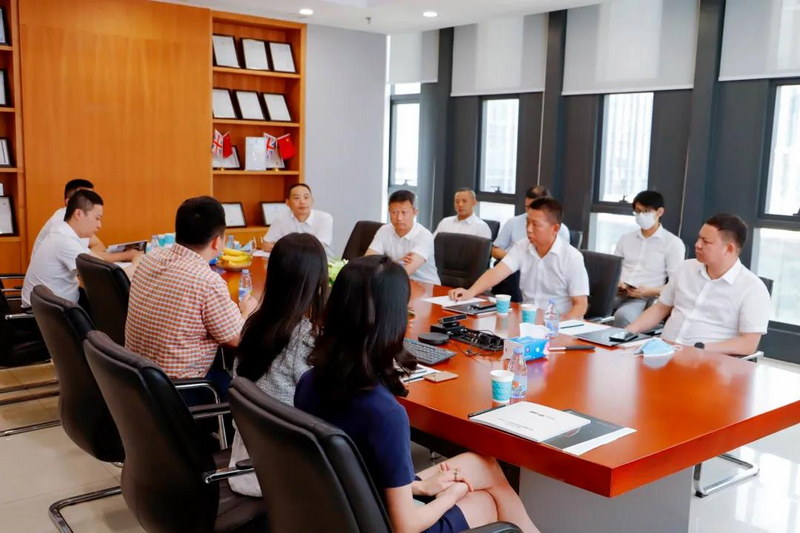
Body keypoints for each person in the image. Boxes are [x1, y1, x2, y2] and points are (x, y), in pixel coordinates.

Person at [294, 255, 539, 533]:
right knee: (485, 501)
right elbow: (405, 526)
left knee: (485, 465)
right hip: (381, 522)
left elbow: (351, 472)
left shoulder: (308, 382)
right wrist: (451, 495)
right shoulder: (385, 414)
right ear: (394, 321)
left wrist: (419, 486)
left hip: (341, 512)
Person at [125, 196, 257, 396]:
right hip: (180, 391)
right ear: (217, 241)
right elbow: (237, 339)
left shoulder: (150, 259)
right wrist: (246, 311)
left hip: (137, 379)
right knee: (247, 391)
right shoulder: (207, 282)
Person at [229, 232, 328, 497]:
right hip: (283, 475)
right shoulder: (307, 338)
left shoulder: (253, 323)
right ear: (318, 280)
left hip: (245, 462)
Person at [626, 214, 771, 356]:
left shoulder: (753, 289)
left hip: (707, 360)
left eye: (706, 242)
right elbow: (660, 308)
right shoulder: (685, 268)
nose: (697, 245)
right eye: (699, 238)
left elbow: (748, 344)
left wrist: (700, 348)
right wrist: (627, 332)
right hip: (663, 351)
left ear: (729, 249)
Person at [449, 197, 589, 319]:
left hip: (558, 324)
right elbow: (497, 272)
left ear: (555, 229)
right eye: (527, 223)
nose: (529, 229)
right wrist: (470, 292)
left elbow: (580, 305)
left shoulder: (572, 257)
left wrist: (560, 326)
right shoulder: (522, 246)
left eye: (536, 224)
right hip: (528, 320)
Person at [611, 190, 685, 327]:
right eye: (637, 211)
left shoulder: (672, 243)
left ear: (659, 212)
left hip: (644, 297)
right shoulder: (626, 239)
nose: (641, 216)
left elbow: (676, 284)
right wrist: (617, 282)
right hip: (617, 292)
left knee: (623, 316)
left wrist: (650, 291)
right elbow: (613, 269)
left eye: (646, 211)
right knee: (587, 305)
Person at [22, 189, 106, 309]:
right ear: (79, 214)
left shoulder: (62, 231)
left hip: (50, 306)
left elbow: (97, 262)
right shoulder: (64, 240)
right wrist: (134, 263)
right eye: (97, 218)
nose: (99, 225)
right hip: (48, 313)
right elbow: (104, 273)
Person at [33, 179, 142, 263]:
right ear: (71, 203)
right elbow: (90, 261)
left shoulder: (72, 225)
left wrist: (89, 254)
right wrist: (130, 256)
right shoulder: (61, 227)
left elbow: (98, 246)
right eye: (85, 198)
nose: (99, 225)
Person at [366, 189, 440, 284]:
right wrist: (397, 262)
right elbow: (368, 262)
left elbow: (405, 272)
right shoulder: (384, 230)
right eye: (394, 212)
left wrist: (385, 262)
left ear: (415, 212)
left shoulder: (424, 235)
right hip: (395, 283)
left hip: (426, 285)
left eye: (404, 212)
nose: (399, 218)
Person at [492, 185, 571, 260]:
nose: (530, 211)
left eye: (534, 207)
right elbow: (495, 250)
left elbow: (561, 258)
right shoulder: (513, 223)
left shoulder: (562, 230)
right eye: (527, 207)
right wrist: (513, 260)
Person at [261, 183, 333, 257]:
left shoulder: (324, 218)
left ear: (312, 200)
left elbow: (319, 246)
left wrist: (285, 248)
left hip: (319, 260)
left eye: (306, 197)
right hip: (290, 260)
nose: (302, 202)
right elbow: (265, 245)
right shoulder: (281, 219)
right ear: (288, 203)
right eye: (296, 198)